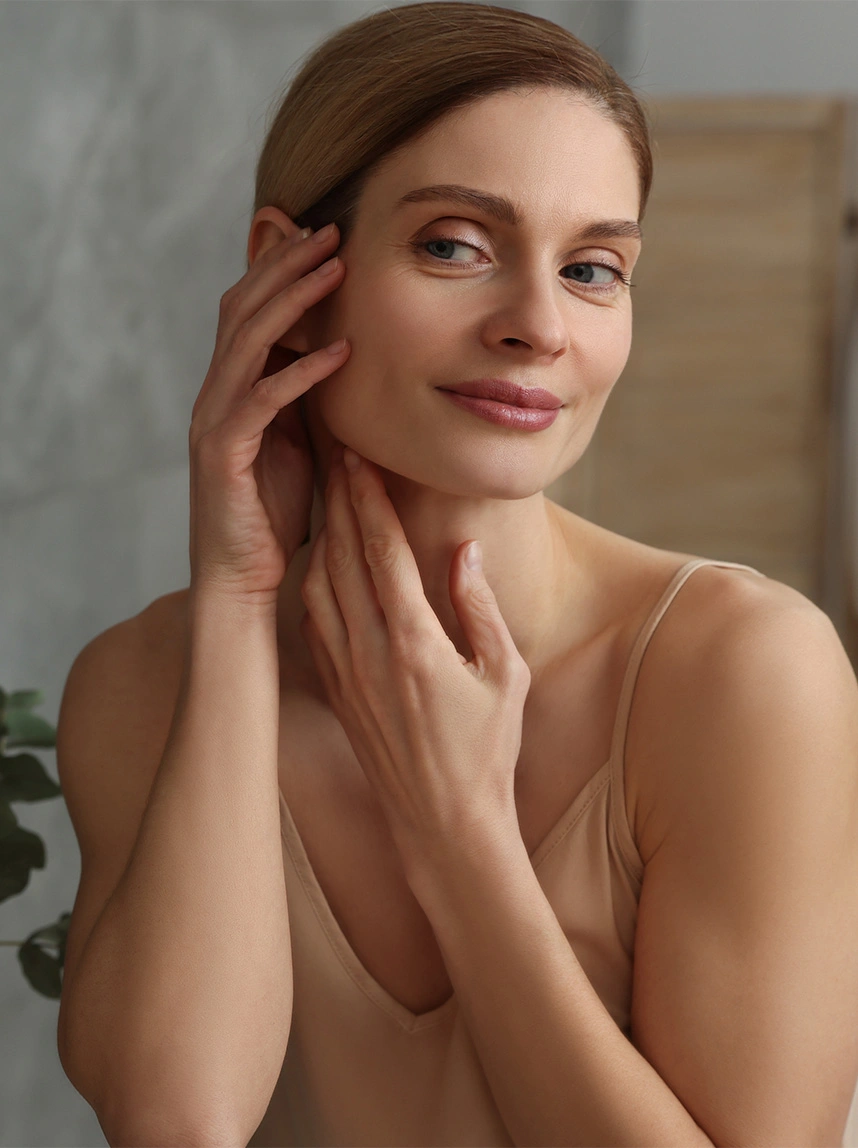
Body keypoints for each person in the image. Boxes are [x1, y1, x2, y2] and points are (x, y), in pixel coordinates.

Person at [55, 4, 858, 1147]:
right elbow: (177, 1119)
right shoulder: (140, 682)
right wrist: (234, 598)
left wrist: (458, 832)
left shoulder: (743, 671)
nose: (538, 324)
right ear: (287, 271)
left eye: (592, 268)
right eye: (454, 246)